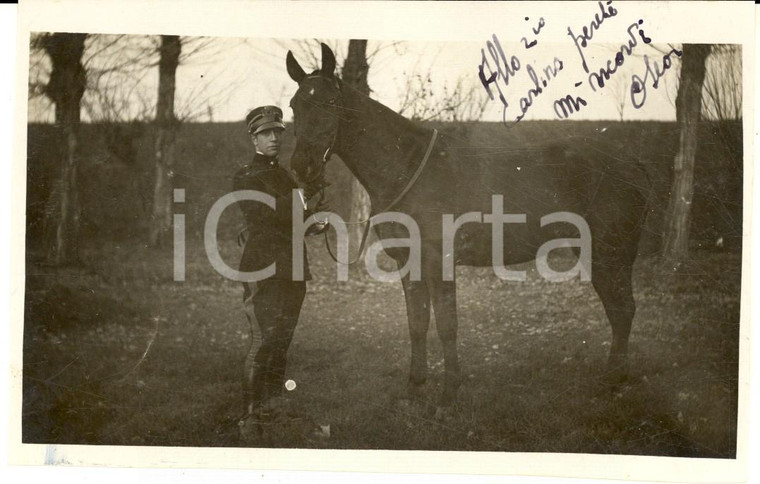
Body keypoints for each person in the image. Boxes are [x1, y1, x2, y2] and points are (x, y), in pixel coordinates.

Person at [233, 105, 325, 438]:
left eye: (278, 132)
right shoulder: (247, 175)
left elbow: (293, 219)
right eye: (266, 133)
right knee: (264, 340)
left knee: (281, 342)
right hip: (263, 271)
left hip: (293, 270)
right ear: (253, 137)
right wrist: (305, 201)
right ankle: (250, 417)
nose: (274, 138)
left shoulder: (284, 175)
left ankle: (271, 410)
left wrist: (315, 221)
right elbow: (271, 214)